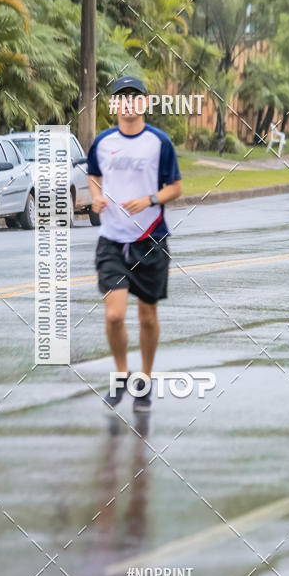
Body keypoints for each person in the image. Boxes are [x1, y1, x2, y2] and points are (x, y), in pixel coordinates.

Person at [87, 76, 182, 412]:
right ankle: (121, 375)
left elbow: (176, 187)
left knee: (147, 317)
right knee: (114, 316)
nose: (128, 103)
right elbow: (94, 174)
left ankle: (145, 379)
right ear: (114, 104)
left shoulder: (159, 142)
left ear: (144, 102)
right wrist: (96, 196)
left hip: (151, 238)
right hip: (112, 240)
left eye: (135, 97)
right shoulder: (101, 142)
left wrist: (149, 199)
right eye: (121, 98)